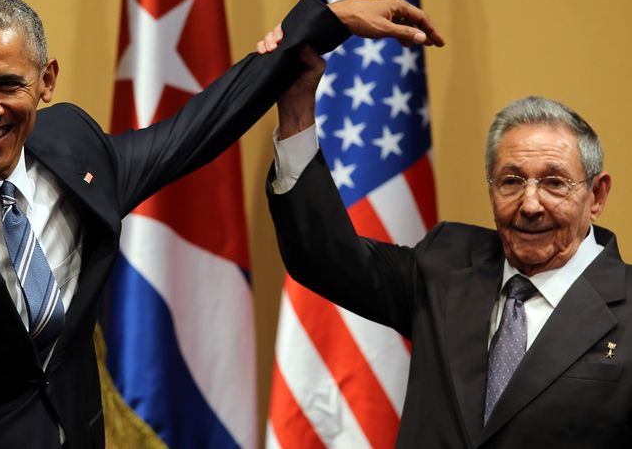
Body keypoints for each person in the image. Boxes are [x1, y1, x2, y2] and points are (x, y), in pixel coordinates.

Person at [0, 0, 442, 448]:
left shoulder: (75, 151)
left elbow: (198, 127)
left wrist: (321, 21)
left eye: (6, 84)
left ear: (46, 80)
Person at [259, 29, 631, 447]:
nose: (530, 205)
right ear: (491, 188)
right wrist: (295, 111)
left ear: (596, 195)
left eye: (554, 183)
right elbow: (323, 256)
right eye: (511, 181)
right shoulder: (446, 263)